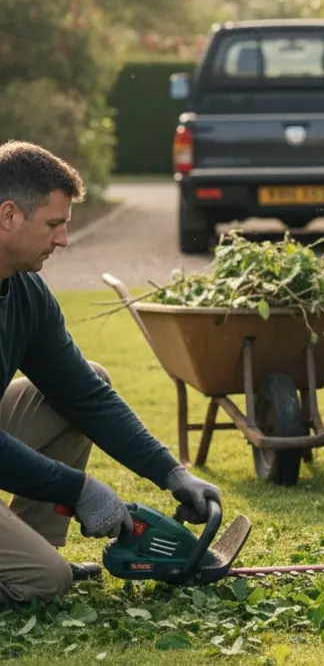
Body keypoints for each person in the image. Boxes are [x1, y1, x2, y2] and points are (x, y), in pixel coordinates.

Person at [0, 141, 222, 605]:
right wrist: (78, 488)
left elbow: (85, 395)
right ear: (8, 217)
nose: (63, 240)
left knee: (91, 379)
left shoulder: (26, 293)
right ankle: (36, 568)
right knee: (43, 582)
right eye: (54, 225)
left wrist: (171, 472)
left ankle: (38, 547)